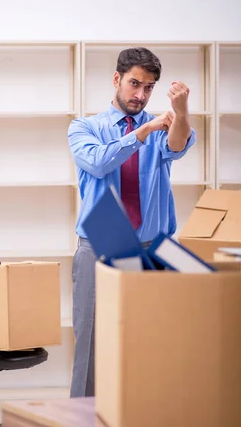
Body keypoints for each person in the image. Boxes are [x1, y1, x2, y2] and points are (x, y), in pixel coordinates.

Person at [68, 47, 196, 398]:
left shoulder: (163, 126)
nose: (140, 95)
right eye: (134, 84)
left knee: (152, 340)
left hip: (152, 247)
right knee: (91, 342)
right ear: (116, 80)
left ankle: (145, 420)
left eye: (149, 88)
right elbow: (97, 162)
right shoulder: (84, 127)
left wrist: (180, 111)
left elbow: (177, 145)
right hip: (99, 246)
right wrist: (143, 131)